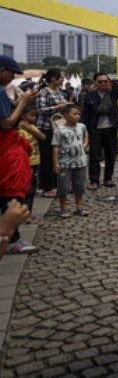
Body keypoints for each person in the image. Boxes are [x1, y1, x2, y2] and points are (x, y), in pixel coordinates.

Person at [0, 55, 38, 254]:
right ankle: (11, 238)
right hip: (6, 147)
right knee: (11, 190)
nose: (12, 77)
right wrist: (23, 102)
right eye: (11, 73)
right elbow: (6, 123)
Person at [82, 73, 118, 189]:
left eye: (105, 81)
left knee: (110, 154)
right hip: (95, 128)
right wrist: (84, 129)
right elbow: (85, 113)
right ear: (95, 83)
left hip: (111, 127)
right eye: (100, 81)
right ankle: (94, 180)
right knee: (94, 155)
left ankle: (108, 178)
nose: (103, 84)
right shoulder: (90, 96)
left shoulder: (112, 93)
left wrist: (112, 80)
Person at [52, 103, 90, 219]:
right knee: (63, 186)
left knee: (80, 185)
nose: (77, 116)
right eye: (74, 114)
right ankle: (63, 208)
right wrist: (55, 162)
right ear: (65, 115)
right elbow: (56, 146)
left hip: (80, 162)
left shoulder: (81, 126)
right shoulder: (59, 130)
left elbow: (86, 136)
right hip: (65, 163)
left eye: (79, 114)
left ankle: (79, 207)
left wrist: (84, 145)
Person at [35, 68, 68, 197]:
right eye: (61, 78)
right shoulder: (43, 92)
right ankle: (46, 186)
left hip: (58, 128)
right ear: (53, 78)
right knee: (47, 157)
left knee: (57, 156)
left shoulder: (59, 92)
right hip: (46, 128)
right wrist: (57, 107)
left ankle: (55, 183)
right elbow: (40, 110)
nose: (62, 80)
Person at [18, 105, 45, 225]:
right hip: (24, 163)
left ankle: (29, 213)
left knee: (32, 189)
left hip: (35, 161)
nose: (33, 118)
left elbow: (42, 136)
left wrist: (29, 128)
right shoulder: (19, 129)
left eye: (35, 116)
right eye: (31, 115)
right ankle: (23, 215)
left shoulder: (32, 127)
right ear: (22, 115)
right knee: (25, 190)